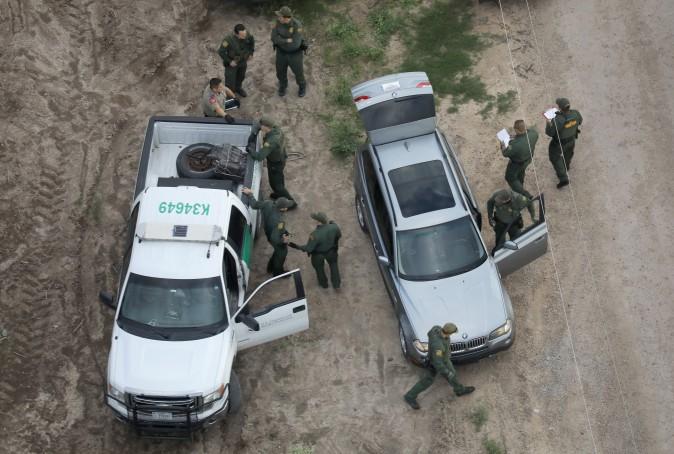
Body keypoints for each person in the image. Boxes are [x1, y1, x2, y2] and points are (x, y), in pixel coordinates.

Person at [403, 323, 475, 410]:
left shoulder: (436, 329)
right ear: (449, 333)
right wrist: (447, 372)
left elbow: (429, 333)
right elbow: (438, 363)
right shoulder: (438, 347)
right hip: (436, 363)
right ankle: (409, 396)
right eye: (452, 333)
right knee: (428, 380)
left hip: (444, 359)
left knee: (453, 374)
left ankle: (459, 390)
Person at [247, 117, 297, 208]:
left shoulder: (271, 141)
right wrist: (255, 131)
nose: (260, 126)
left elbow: (259, 156)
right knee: (274, 182)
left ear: (266, 127)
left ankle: (291, 203)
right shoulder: (275, 127)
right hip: (279, 157)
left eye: (261, 126)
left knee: (278, 185)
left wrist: (250, 150)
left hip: (276, 163)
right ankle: (279, 195)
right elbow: (259, 124)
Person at [242, 188, 293, 276]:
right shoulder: (280, 222)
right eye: (286, 207)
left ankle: (270, 267)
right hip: (274, 237)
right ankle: (278, 272)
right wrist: (283, 240)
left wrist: (250, 194)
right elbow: (275, 238)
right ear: (283, 209)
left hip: (268, 231)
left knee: (277, 251)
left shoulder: (268, 203)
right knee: (281, 253)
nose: (287, 208)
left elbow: (254, 205)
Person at [289, 212, 341, 289]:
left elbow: (309, 248)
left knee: (319, 269)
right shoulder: (334, 227)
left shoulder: (314, 234)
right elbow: (339, 235)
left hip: (318, 255)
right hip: (331, 251)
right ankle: (336, 284)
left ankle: (324, 284)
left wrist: (296, 246)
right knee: (334, 266)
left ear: (318, 222)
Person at [545, 97, 583, 188]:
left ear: (560, 108)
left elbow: (549, 133)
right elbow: (580, 121)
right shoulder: (576, 113)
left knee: (554, 157)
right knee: (568, 154)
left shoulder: (558, 119)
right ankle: (566, 166)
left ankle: (563, 178)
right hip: (572, 140)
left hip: (559, 143)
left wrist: (549, 123)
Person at [271, 6, 307, 97]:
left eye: (280, 16)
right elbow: (273, 38)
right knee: (280, 72)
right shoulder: (276, 23)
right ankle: (283, 86)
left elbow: (295, 44)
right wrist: (286, 40)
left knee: (298, 72)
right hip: (281, 52)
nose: (278, 18)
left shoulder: (297, 25)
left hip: (295, 54)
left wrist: (280, 39)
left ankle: (302, 86)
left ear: (286, 18)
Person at [501, 119, 538, 199]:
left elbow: (505, 153)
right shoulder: (534, 134)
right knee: (521, 172)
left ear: (517, 130)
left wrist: (503, 145)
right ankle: (520, 184)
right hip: (528, 159)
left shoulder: (515, 145)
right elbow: (528, 133)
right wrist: (517, 136)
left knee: (510, 177)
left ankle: (524, 194)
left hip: (516, 163)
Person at [217, 24, 255, 98]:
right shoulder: (228, 40)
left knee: (241, 76)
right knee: (230, 81)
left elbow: (251, 43)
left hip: (243, 61)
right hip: (232, 64)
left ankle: (238, 88)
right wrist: (229, 61)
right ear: (236, 34)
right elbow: (221, 52)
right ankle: (229, 96)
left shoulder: (247, 35)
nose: (244, 36)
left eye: (245, 34)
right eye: (242, 35)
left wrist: (251, 53)